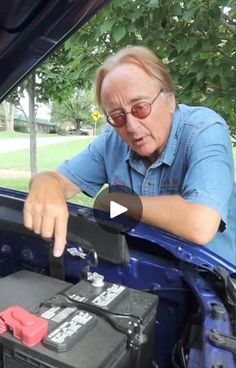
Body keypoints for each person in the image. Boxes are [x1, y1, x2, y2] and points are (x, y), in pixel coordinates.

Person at [24, 46, 236, 265]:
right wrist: (44, 182)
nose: (132, 126)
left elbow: (200, 224)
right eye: (117, 116)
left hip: (216, 282)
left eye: (140, 107)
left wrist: (117, 202)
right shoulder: (112, 140)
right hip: (145, 271)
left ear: (170, 99)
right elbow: (61, 181)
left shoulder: (205, 129)